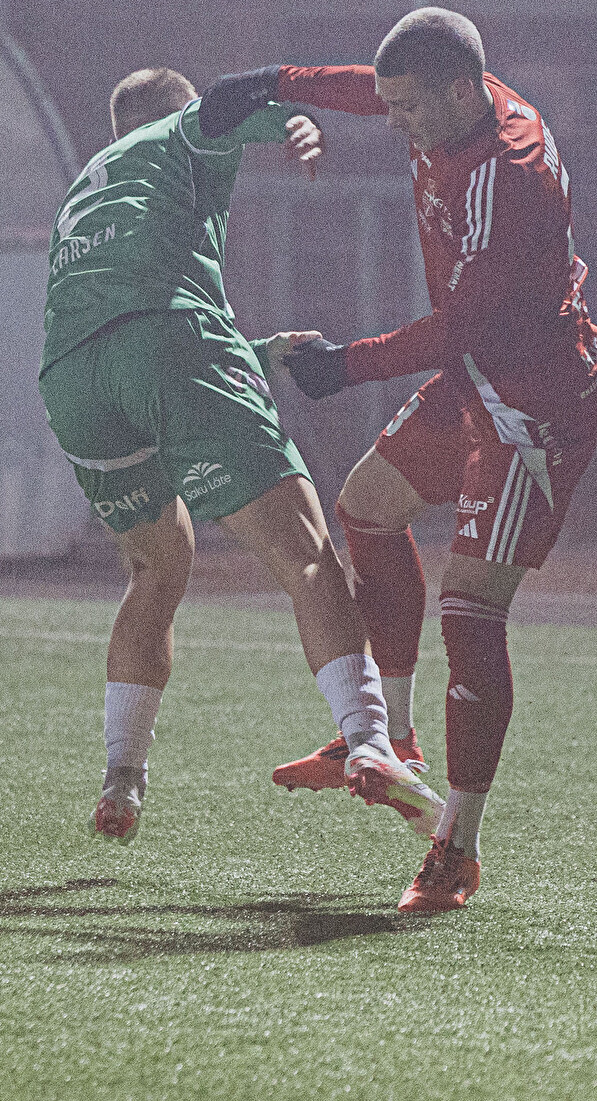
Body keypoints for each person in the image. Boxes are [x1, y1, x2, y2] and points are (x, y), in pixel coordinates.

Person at [246, 8, 597, 915]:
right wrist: (275, 83)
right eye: (392, 105)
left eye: (408, 108)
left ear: (459, 91)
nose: (395, 123)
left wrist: (345, 366)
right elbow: (364, 90)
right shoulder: (450, 104)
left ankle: (457, 849)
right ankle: (392, 742)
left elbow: (458, 328)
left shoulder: (509, 174)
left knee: (471, 612)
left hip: (532, 406)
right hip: (478, 378)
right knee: (366, 508)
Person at [40, 64, 434, 846]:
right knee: (308, 556)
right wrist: (291, 124)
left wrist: (252, 355)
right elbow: (222, 111)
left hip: (73, 381)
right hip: (170, 343)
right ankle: (369, 742)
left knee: (155, 566)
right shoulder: (185, 130)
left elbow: (123, 332)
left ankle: (123, 776)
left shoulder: (88, 187)